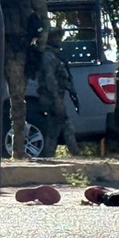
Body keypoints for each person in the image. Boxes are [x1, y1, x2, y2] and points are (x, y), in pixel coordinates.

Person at [0, 0, 50, 159]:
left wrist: (39, 47)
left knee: (17, 99)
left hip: (18, 50)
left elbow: (44, 21)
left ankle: (18, 151)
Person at [39, 28, 82, 157]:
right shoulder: (48, 56)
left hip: (56, 95)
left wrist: (69, 88)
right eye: (56, 37)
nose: (59, 40)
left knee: (54, 128)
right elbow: (50, 79)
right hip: (51, 97)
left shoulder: (54, 55)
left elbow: (61, 76)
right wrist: (57, 100)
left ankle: (49, 154)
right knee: (66, 125)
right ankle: (76, 153)